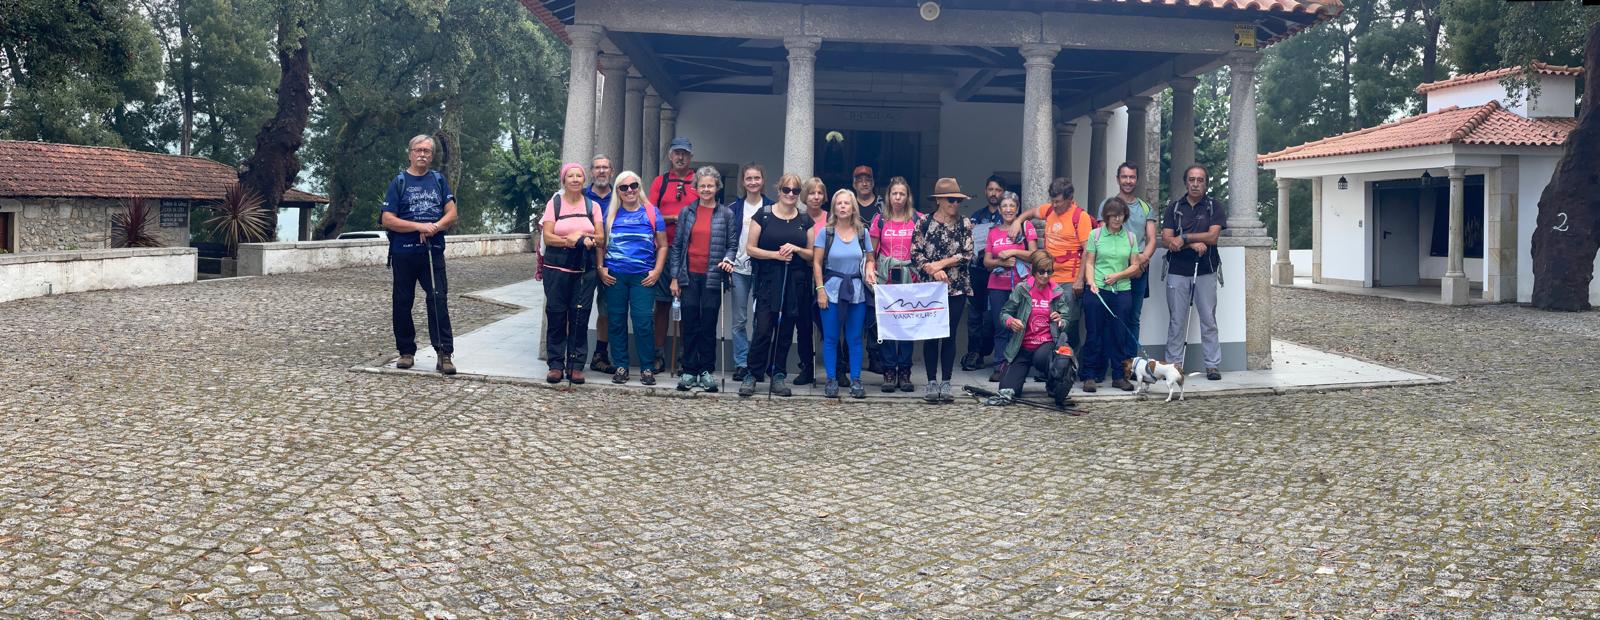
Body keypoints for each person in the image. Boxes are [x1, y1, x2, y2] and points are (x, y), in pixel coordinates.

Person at [382, 135, 459, 375]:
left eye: (427, 151)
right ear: (410, 153)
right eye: (418, 150)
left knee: (438, 299)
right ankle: (406, 351)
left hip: (432, 252)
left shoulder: (438, 180)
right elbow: (387, 219)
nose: (422, 154)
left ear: (432, 155)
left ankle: (444, 354)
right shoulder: (399, 182)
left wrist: (435, 227)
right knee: (402, 302)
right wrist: (419, 227)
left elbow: (452, 213)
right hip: (404, 253)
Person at [740, 171, 814, 398]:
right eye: (786, 190)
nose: (790, 194)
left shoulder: (805, 220)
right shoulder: (763, 216)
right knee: (763, 329)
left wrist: (797, 249)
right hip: (768, 280)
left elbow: (812, 254)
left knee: (784, 331)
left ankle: (779, 374)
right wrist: (775, 255)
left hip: (795, 282)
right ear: (779, 190)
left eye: (795, 191)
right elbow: (750, 249)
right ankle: (752, 374)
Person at [669, 166, 739, 392]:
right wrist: (674, 277)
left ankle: (706, 370)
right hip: (689, 276)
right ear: (696, 188)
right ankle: (689, 370)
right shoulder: (686, 213)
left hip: (713, 276)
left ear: (717, 187)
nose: (706, 189)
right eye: (702, 186)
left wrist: (728, 259)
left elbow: (732, 245)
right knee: (690, 323)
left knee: (708, 324)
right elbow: (677, 246)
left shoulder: (726, 214)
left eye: (710, 185)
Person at [598, 170, 667, 386]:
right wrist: (601, 268)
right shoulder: (610, 214)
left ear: (639, 187)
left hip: (643, 277)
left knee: (643, 322)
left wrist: (657, 271)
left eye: (633, 186)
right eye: (624, 187)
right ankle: (621, 366)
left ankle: (647, 367)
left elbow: (663, 245)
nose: (629, 190)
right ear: (617, 191)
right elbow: (601, 243)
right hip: (615, 276)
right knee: (616, 321)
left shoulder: (652, 212)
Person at [540, 162, 605, 384]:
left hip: (584, 269)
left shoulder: (592, 206)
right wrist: (569, 240)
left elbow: (601, 238)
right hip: (556, 268)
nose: (575, 179)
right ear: (564, 180)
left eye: (579, 176)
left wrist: (582, 238)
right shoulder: (554, 204)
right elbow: (548, 237)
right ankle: (556, 364)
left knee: (580, 315)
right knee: (556, 314)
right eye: (571, 176)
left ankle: (576, 365)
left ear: (584, 180)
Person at [1012, 177, 1096, 348]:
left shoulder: (1080, 217)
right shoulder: (1049, 210)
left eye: (1058, 201)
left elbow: (1088, 251)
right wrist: (1017, 221)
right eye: (1052, 201)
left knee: (1068, 323)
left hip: (1069, 280)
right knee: (1048, 321)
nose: (1055, 205)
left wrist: (1080, 280)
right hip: (1048, 278)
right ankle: (1051, 364)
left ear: (1069, 199)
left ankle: (1068, 364)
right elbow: (1032, 212)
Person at [911, 177, 974, 403]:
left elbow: (967, 254)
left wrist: (942, 264)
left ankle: (946, 381)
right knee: (931, 335)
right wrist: (932, 269)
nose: (955, 204)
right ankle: (930, 381)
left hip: (956, 288)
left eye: (958, 200)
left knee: (949, 335)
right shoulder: (924, 223)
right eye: (951, 200)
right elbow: (916, 253)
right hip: (929, 289)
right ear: (939, 200)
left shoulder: (965, 223)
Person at [1162, 165, 1226, 381]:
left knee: (1208, 318)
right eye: (1192, 180)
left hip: (1206, 269)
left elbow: (1213, 237)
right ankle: (1174, 364)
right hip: (1178, 271)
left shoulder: (1214, 206)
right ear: (1186, 182)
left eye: (1200, 180)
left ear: (1206, 183)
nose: (1196, 184)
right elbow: (1167, 240)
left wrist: (1187, 238)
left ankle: (1212, 365)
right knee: (1177, 320)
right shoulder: (1174, 208)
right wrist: (1191, 245)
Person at [814, 188, 878, 399]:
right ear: (833, 207)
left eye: (846, 203)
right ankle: (831, 379)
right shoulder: (826, 232)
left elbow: (870, 259)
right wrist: (820, 290)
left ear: (853, 208)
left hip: (856, 291)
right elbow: (816, 262)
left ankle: (856, 380)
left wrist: (870, 271)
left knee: (854, 338)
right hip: (831, 290)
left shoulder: (863, 233)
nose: (842, 206)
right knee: (831, 337)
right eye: (838, 203)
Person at [1099, 162, 1157, 380]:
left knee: (1133, 317)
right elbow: (1100, 235)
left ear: (1137, 179)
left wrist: (1141, 260)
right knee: (1110, 317)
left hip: (1139, 271)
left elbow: (1151, 238)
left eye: (1132, 177)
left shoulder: (1145, 207)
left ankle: (1132, 365)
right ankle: (1109, 365)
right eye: (1124, 176)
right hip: (1111, 272)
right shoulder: (1107, 204)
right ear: (1117, 179)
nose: (1128, 181)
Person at [995, 251, 1077, 401]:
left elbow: (1066, 320)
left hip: (1046, 345)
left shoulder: (1057, 291)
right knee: (1007, 391)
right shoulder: (1022, 289)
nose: (1046, 276)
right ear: (1034, 270)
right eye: (1041, 271)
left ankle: (1052, 382)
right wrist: (1011, 322)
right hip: (1022, 345)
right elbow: (1004, 313)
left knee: (1046, 358)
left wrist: (1060, 320)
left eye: (1049, 271)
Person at [1081, 197, 1141, 392]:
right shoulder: (1095, 235)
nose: (1117, 219)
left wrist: (1118, 275)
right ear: (1106, 216)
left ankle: (1118, 376)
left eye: (1120, 215)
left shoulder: (1130, 237)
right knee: (1094, 333)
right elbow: (1089, 262)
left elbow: (1135, 266)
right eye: (1113, 215)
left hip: (1122, 290)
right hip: (1097, 290)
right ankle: (1090, 375)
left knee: (1119, 334)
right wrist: (1090, 282)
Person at [650, 138, 698, 372]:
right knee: (662, 304)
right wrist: (672, 219)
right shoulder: (661, 182)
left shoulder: (698, 181)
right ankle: (658, 353)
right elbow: (650, 214)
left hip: (691, 251)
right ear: (670, 156)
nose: (681, 157)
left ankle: (684, 357)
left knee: (688, 306)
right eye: (677, 153)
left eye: (685, 154)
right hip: (664, 250)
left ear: (691, 157)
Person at [869, 176, 920, 393]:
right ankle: (889, 370)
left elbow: (923, 249)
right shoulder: (880, 220)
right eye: (894, 193)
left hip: (910, 276)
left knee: (907, 326)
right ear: (888, 196)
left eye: (902, 193)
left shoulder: (917, 219)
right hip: (886, 278)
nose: (898, 197)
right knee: (888, 326)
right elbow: (871, 252)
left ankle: (905, 371)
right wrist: (870, 268)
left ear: (908, 196)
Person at [983, 191, 1037, 382]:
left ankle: (1017, 365)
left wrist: (1014, 251)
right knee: (1000, 326)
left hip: (1022, 286)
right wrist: (1001, 262)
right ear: (999, 209)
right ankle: (999, 365)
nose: (1007, 209)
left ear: (1017, 208)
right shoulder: (993, 232)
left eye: (1011, 206)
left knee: (1021, 326)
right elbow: (986, 262)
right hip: (997, 286)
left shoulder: (1026, 226)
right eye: (1004, 206)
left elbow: (1034, 255)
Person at [728, 163, 774, 383]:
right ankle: (741, 363)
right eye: (749, 178)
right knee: (739, 319)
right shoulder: (733, 208)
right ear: (743, 182)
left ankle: (757, 364)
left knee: (761, 320)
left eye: (757, 178)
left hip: (763, 270)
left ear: (762, 180)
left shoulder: (772, 208)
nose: (753, 182)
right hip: (738, 268)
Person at [962, 175, 1008, 373]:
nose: (994, 193)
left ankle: (990, 350)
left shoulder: (1007, 216)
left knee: (993, 316)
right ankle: (975, 353)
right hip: (977, 271)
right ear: (985, 191)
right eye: (991, 189)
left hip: (998, 271)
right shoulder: (976, 216)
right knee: (974, 315)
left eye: (998, 190)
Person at [793, 176, 828, 386]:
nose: (816, 197)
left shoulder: (832, 218)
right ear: (805, 196)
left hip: (827, 275)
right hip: (803, 274)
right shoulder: (798, 218)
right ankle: (806, 366)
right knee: (803, 324)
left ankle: (838, 367)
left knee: (828, 324)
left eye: (820, 193)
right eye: (812, 193)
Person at [850, 165, 884, 375]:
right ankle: (846, 357)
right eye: (860, 179)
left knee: (874, 313)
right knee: (851, 311)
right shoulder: (847, 204)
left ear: (873, 182)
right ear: (854, 183)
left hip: (877, 263)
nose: (864, 183)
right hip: (850, 264)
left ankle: (875, 356)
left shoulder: (883, 207)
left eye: (868, 179)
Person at [586, 154, 618, 375]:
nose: (601, 171)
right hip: (583, 259)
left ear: (612, 171)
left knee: (606, 310)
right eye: (597, 168)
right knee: (578, 306)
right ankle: (572, 353)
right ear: (591, 172)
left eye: (605, 167)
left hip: (612, 261)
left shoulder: (622, 195)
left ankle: (600, 354)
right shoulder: (581, 196)